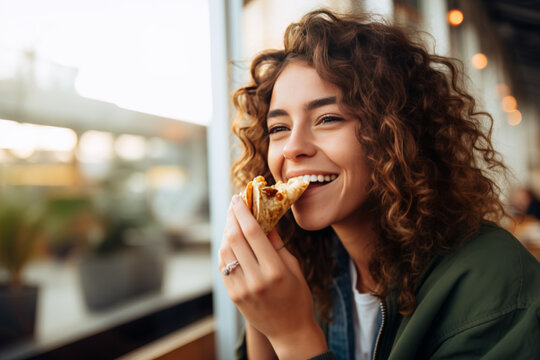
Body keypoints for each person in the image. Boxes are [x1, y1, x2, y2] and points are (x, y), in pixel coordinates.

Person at [218, 9, 540, 360]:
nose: (293, 147)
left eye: (328, 119)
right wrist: (259, 312)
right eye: (278, 128)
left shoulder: (494, 281)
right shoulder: (306, 271)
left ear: (396, 134)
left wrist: (293, 335)